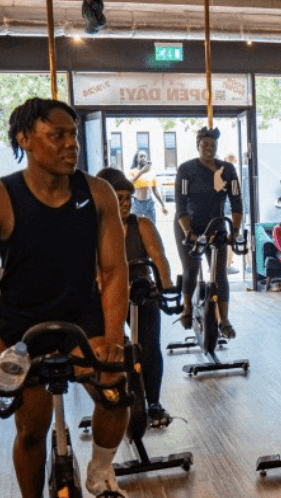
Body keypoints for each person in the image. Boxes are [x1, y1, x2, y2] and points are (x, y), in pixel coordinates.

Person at [0, 98, 131, 498]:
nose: (71, 144)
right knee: (32, 428)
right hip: (21, 326)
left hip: (83, 317)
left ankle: (100, 473)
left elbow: (115, 269)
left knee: (116, 393)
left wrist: (114, 335)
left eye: (73, 135)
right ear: (24, 139)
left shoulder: (98, 194)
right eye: (57, 135)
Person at [97, 168, 174, 426]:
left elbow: (160, 259)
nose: (126, 203)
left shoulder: (141, 225)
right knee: (113, 349)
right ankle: (114, 399)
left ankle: (153, 402)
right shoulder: (94, 229)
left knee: (149, 348)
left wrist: (166, 286)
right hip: (109, 296)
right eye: (118, 198)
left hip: (141, 292)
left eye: (128, 198)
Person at [173, 127, 243, 338]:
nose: (209, 148)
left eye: (213, 145)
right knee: (191, 268)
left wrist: (235, 231)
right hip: (188, 224)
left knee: (220, 273)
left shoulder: (228, 170)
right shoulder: (186, 170)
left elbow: (237, 203)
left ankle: (224, 320)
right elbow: (180, 205)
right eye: (204, 145)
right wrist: (189, 233)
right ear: (198, 146)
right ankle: (187, 308)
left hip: (216, 224)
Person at [128, 151, 168, 221]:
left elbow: (155, 190)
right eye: (141, 156)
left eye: (144, 156)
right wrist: (141, 172)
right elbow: (129, 184)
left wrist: (163, 205)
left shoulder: (151, 172)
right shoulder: (132, 172)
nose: (143, 158)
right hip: (137, 204)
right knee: (137, 226)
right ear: (137, 159)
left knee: (152, 225)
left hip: (149, 203)